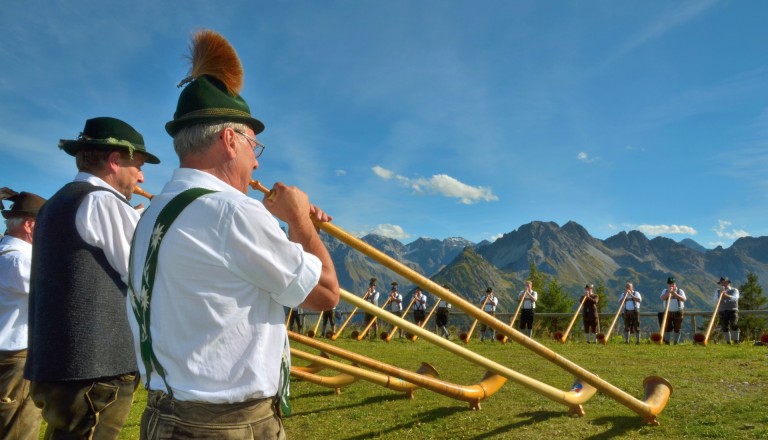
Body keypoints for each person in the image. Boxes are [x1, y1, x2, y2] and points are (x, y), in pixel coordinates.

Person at [127, 29, 339, 439]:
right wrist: (301, 224)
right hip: (227, 425)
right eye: (253, 148)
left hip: (163, 415)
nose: (255, 165)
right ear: (229, 139)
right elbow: (325, 295)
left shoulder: (153, 213)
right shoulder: (230, 212)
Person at [25, 116, 159, 439]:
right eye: (137, 165)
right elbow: (146, 277)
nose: (141, 175)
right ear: (115, 161)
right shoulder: (105, 203)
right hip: (97, 374)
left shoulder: (55, 204)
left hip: (57, 367)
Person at [0, 191, 46, 439]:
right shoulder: (20, 261)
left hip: (9, 356)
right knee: (20, 428)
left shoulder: (6, 253)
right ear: (30, 225)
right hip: (16, 358)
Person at [660, 277, 687, 344]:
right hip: (667, 311)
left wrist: (674, 294)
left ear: (675, 284)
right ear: (667, 284)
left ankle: (676, 342)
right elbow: (662, 298)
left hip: (678, 311)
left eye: (672, 284)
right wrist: (669, 293)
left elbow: (684, 299)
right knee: (667, 326)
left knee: (677, 327)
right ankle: (667, 341)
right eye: (669, 284)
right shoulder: (665, 291)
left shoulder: (680, 291)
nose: (671, 285)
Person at [716, 276, 740, 344]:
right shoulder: (718, 291)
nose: (723, 284)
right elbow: (715, 300)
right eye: (721, 283)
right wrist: (721, 295)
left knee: (734, 324)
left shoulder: (734, 290)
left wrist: (726, 296)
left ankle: (736, 341)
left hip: (732, 310)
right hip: (722, 310)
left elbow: (735, 298)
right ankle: (728, 342)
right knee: (724, 326)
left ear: (728, 283)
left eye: (724, 282)